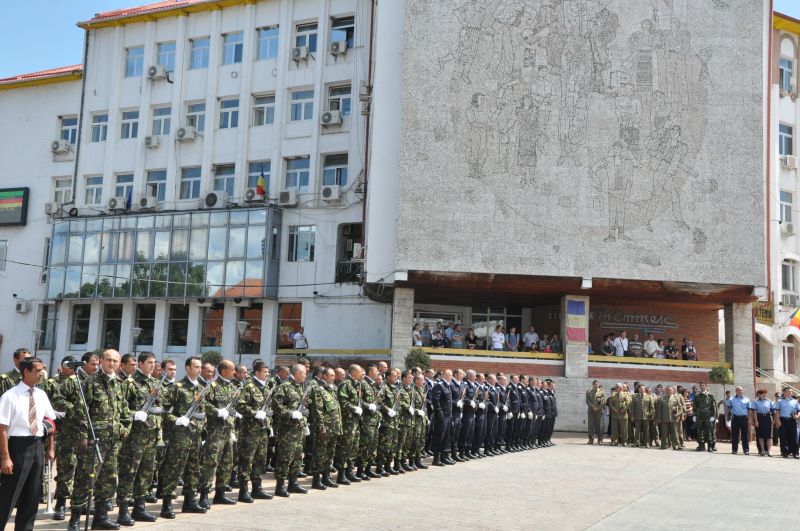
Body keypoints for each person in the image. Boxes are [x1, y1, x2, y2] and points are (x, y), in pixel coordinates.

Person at [69, 349, 128, 531]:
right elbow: (80, 413)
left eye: (115, 361)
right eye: (108, 360)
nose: (111, 363)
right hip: (94, 442)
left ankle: (101, 517)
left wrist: (125, 428)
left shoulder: (120, 383)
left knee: (109, 480)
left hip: (112, 442)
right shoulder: (90, 382)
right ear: (101, 361)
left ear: (119, 364)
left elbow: (124, 410)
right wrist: (82, 438)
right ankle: (75, 519)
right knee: (84, 479)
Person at [0, 356, 56, 531]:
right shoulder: (10, 396)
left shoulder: (41, 394)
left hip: (37, 445)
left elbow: (50, 421)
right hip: (17, 447)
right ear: (26, 372)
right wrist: (5, 457)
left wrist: (51, 448)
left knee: (32, 496)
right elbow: (2, 428)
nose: (42, 374)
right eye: (38, 370)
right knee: (9, 495)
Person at [116, 352, 161, 525]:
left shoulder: (156, 383)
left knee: (146, 474)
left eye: (154, 362)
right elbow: (120, 407)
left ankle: (140, 508)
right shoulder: (130, 383)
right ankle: (123, 511)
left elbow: (160, 407)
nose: (152, 365)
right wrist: (135, 414)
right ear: (140, 364)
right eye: (149, 362)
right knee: (129, 473)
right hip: (135, 437)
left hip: (151, 436)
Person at [159, 357, 207, 519]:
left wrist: (202, 429)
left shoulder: (201, 388)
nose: (199, 370)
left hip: (195, 436)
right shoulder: (177, 388)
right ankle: (167, 504)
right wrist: (177, 420)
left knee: (193, 469)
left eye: (200, 367)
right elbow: (164, 411)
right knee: (174, 468)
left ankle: (189, 501)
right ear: (187, 368)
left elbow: (202, 413)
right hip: (180, 437)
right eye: (196, 367)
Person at [235, 360, 274, 500]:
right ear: (257, 373)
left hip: (263, 431)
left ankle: (257, 489)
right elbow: (240, 405)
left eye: (268, 372)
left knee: (260, 461)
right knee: (246, 461)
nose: (268, 374)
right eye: (265, 372)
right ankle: (243, 491)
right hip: (250, 432)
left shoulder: (267, 388)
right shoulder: (249, 387)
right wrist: (254, 413)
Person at [272, 364, 309, 497]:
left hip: (299, 428)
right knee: (284, 457)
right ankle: (280, 485)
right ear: (297, 373)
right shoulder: (285, 386)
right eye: (304, 373)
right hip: (287, 430)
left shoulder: (302, 387)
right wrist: (290, 413)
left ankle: (293, 483)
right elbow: (276, 405)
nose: (306, 375)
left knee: (298, 456)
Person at [773, 387, 800, 458]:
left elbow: (798, 410)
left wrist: (797, 416)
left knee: (794, 437)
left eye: (791, 391)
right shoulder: (779, 401)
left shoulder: (795, 401)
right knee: (783, 437)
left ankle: (795, 453)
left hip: (792, 420)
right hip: (783, 420)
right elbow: (777, 411)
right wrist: (778, 420)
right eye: (788, 391)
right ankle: (785, 453)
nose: (790, 393)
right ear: (784, 392)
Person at [751, 389, 774, 457]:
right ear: (759, 395)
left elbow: (772, 411)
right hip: (759, 418)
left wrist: (772, 419)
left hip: (767, 418)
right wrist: (756, 421)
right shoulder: (755, 402)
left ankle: (769, 451)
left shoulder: (769, 401)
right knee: (760, 435)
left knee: (768, 436)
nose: (764, 395)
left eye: (765, 393)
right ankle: (762, 450)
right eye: (763, 394)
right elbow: (754, 412)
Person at [729, 386, 751, 455]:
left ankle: (746, 450)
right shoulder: (732, 399)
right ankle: (734, 450)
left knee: (745, 435)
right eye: (740, 390)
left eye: (742, 390)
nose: (741, 391)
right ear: (736, 391)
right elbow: (729, 408)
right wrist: (729, 416)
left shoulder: (746, 399)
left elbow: (749, 410)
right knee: (735, 435)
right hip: (735, 418)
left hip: (744, 418)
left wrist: (749, 419)